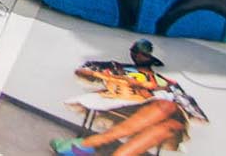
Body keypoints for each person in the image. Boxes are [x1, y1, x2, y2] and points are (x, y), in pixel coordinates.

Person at [52, 40, 205, 156]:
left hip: (154, 110)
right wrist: (110, 77)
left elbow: (189, 107)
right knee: (168, 112)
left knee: (173, 124)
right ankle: (87, 145)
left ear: (152, 59)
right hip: (126, 104)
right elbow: (84, 70)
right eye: (135, 52)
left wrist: (154, 88)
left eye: (143, 54)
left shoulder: (163, 81)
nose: (137, 55)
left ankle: (85, 146)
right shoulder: (118, 67)